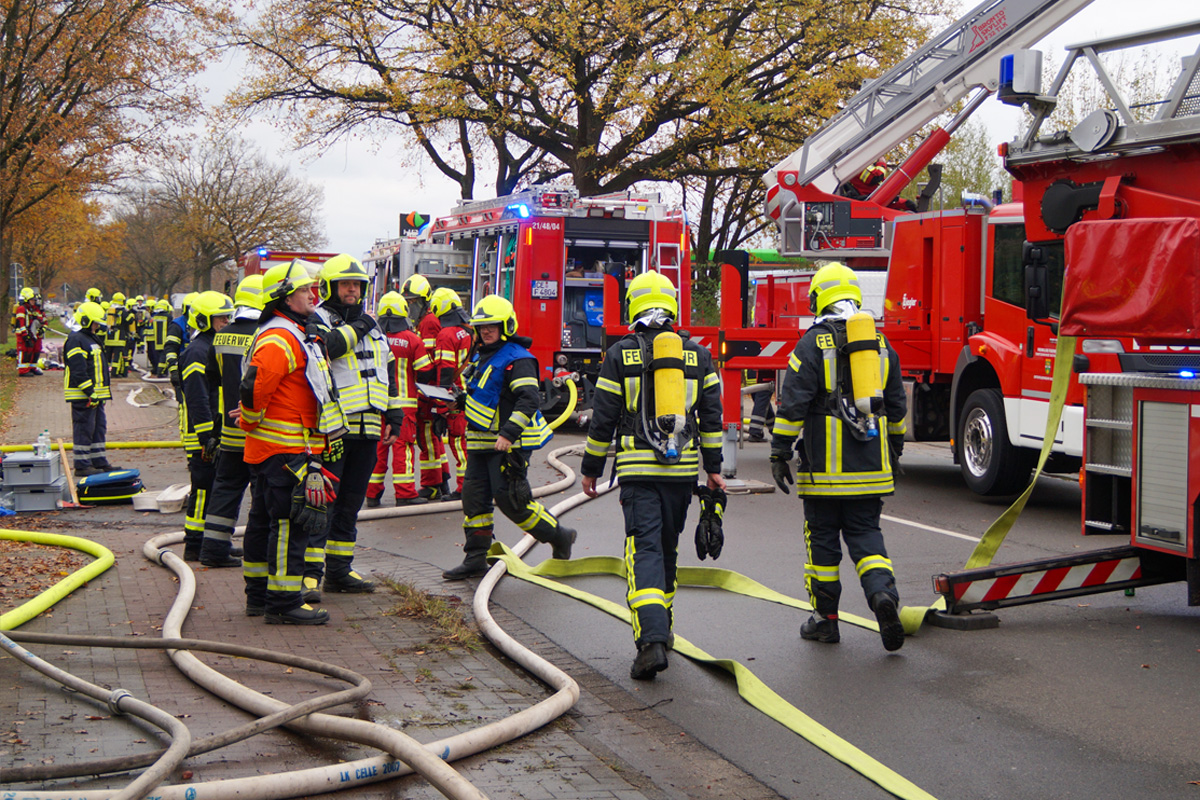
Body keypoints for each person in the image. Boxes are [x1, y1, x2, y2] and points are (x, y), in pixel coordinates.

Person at [580, 271, 725, 681]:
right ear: (673, 306)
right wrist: (713, 469)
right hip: (682, 473)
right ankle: (666, 630)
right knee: (667, 551)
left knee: (643, 551)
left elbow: (603, 418)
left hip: (638, 472)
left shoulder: (619, 354)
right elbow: (711, 419)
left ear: (634, 306)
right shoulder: (698, 355)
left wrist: (591, 469)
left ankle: (651, 643)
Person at [769, 262, 909, 652]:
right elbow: (896, 409)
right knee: (867, 537)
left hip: (824, 472)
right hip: (871, 470)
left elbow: (793, 405)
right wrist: (893, 451)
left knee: (824, 543)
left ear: (820, 297)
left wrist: (780, 452)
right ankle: (883, 597)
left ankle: (825, 622)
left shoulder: (812, 343)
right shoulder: (881, 344)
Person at [239, 259, 345, 625]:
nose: (312, 295)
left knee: (264, 522)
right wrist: (250, 420)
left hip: (279, 450)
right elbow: (254, 390)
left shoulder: (291, 332)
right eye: (303, 290)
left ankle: (258, 595)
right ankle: (282, 603)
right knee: (288, 524)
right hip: (284, 451)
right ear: (284, 297)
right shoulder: (280, 338)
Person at [442, 295, 575, 581]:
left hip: (509, 444)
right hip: (480, 442)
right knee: (474, 500)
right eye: (481, 327)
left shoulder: (519, 358)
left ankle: (559, 536)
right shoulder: (481, 356)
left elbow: (527, 400)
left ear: (506, 325)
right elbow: (487, 397)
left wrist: (508, 434)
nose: (486, 331)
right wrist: (460, 402)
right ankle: (476, 557)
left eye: (492, 325)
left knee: (512, 500)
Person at [302, 253, 407, 601]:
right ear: (329, 287)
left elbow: (387, 371)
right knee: (323, 503)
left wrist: (394, 415)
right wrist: (360, 324)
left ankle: (339, 571)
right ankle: (310, 576)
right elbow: (328, 349)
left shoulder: (374, 325)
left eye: (357, 285)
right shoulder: (316, 320)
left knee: (351, 502)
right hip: (333, 429)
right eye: (346, 284)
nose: (353, 290)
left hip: (370, 427)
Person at [197, 275, 264, 568]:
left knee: (225, 489)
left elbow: (212, 377)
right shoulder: (266, 333)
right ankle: (259, 553)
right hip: (258, 430)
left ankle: (213, 549)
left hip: (229, 431)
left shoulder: (222, 335)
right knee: (262, 495)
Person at [179, 291, 235, 562]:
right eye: (220, 318)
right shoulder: (197, 351)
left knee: (214, 490)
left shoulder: (213, 347)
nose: (226, 321)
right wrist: (206, 436)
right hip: (202, 435)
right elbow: (197, 397)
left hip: (213, 432)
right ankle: (194, 544)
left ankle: (213, 541)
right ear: (203, 320)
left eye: (227, 316)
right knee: (202, 490)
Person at [366, 291, 431, 508]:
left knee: (378, 450)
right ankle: (405, 493)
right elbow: (425, 371)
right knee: (403, 449)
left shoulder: (372, 338)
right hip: (404, 407)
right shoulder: (412, 339)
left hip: (376, 404)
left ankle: (372, 494)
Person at [403, 273, 449, 500]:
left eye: (415, 302)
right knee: (432, 437)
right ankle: (442, 481)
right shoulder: (423, 321)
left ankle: (432, 484)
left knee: (427, 439)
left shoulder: (429, 322)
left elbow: (428, 362)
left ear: (424, 301)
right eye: (409, 302)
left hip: (428, 391)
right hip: (429, 390)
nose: (411, 306)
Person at [63, 302, 119, 476]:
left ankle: (98, 461)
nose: (97, 326)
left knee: (98, 428)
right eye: (95, 323)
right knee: (84, 429)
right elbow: (78, 370)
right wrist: (90, 392)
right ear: (86, 320)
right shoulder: (76, 339)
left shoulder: (90, 338)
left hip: (95, 395)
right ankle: (82, 465)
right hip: (83, 395)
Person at [431, 287, 473, 498]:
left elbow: (445, 373)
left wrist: (440, 407)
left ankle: (464, 488)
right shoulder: (469, 330)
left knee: (459, 443)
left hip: (456, 399)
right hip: (471, 395)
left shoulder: (446, 334)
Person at [13, 287, 42, 376]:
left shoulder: (30, 309)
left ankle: (30, 368)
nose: (33, 302)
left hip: (27, 333)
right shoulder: (22, 308)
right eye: (32, 300)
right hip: (22, 334)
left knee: (30, 351)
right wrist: (25, 334)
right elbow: (21, 323)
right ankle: (22, 371)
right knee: (23, 351)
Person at [149, 299, 172, 377]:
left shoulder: (155, 317)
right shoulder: (169, 317)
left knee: (158, 356)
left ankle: (159, 370)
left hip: (157, 340)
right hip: (165, 339)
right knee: (164, 357)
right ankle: (161, 372)